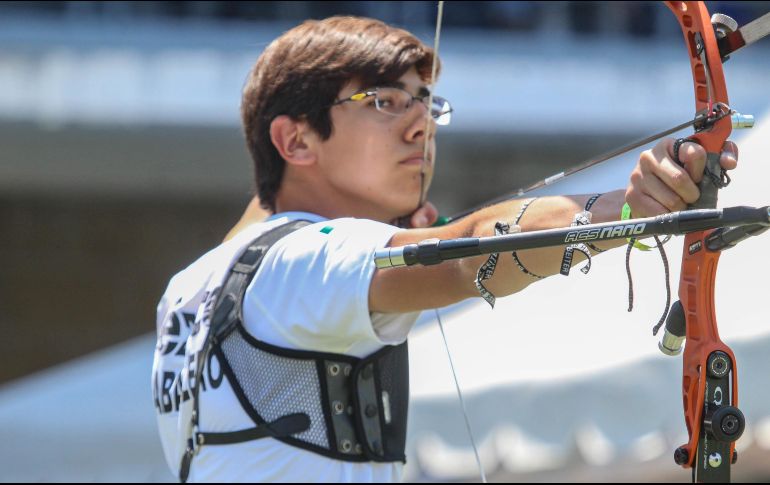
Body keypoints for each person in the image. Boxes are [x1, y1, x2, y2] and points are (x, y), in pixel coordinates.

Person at [152, 15, 738, 483]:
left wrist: (392, 232)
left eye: (425, 104)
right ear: (295, 139)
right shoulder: (304, 263)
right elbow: (465, 253)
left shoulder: (192, 285)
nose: (421, 127)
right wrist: (628, 209)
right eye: (383, 101)